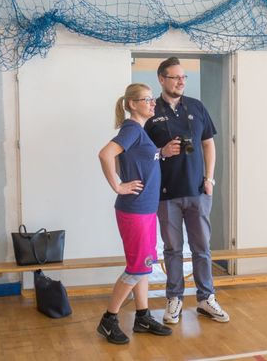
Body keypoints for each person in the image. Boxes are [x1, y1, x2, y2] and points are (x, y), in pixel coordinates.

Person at [145, 57, 229, 324]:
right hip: (166, 194)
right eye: (175, 77)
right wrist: (161, 151)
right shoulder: (150, 111)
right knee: (172, 250)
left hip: (197, 191)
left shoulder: (196, 106)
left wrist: (209, 179)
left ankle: (206, 298)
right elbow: (141, 154)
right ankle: (174, 299)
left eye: (184, 77)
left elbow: (208, 144)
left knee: (202, 248)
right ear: (161, 79)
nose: (181, 81)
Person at [97, 83, 172, 344]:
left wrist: (159, 153)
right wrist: (118, 186)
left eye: (152, 99)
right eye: (146, 99)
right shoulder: (131, 129)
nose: (152, 103)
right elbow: (106, 154)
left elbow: (126, 159)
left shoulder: (139, 131)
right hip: (135, 210)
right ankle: (108, 320)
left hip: (146, 209)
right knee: (138, 267)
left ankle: (142, 317)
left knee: (145, 265)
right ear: (132, 104)